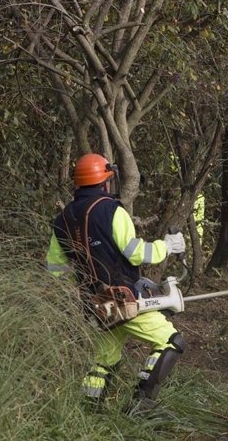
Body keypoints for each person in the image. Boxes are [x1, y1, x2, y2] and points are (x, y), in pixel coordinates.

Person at [46, 153, 187, 412]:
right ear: (105, 181)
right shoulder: (112, 210)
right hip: (126, 300)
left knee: (104, 359)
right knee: (171, 340)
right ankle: (141, 406)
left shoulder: (62, 220)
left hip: (95, 304)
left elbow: (55, 269)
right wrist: (165, 247)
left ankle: (89, 408)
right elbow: (135, 252)